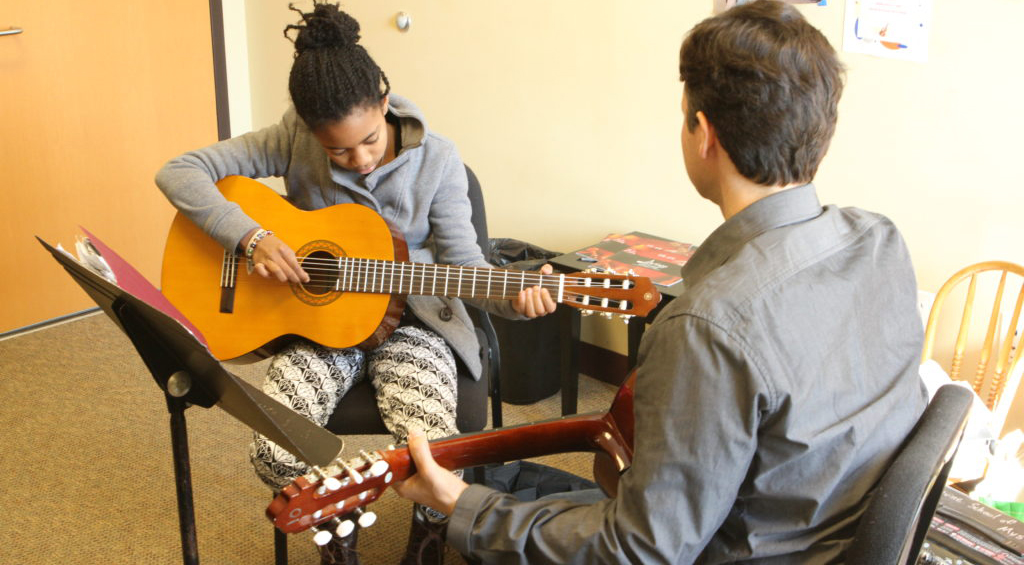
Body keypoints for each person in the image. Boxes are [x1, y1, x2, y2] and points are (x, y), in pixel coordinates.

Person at [393, 1, 928, 562]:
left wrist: (459, 504)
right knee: (511, 485)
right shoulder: (879, 240)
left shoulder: (707, 326)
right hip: (827, 532)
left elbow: (641, 552)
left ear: (705, 135)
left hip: (732, 549)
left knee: (482, 516)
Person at [154, 3, 555, 564]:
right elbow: (179, 172)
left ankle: (425, 550)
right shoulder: (293, 136)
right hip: (319, 331)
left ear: (385, 106)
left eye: (369, 139)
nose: (360, 161)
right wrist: (249, 237)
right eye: (337, 151)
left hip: (413, 324)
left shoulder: (437, 161)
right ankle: (337, 535)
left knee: (434, 455)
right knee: (273, 451)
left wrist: (515, 299)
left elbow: (468, 265)